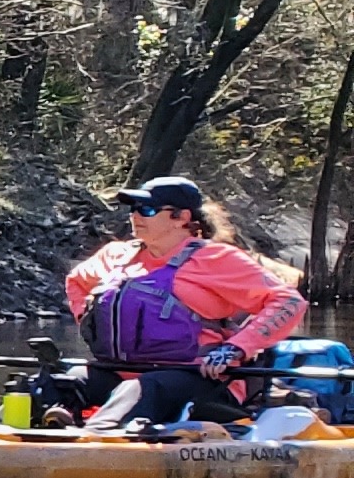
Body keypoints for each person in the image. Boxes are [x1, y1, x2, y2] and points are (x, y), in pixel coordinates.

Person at [52, 176, 304, 428]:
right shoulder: (116, 256)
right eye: (134, 209)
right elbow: (76, 282)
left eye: (147, 210)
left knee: (141, 388)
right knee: (64, 380)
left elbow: (289, 302)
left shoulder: (215, 258)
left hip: (199, 378)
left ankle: (98, 437)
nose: (136, 216)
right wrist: (93, 324)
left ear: (181, 217)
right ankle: (45, 423)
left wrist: (235, 348)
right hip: (119, 370)